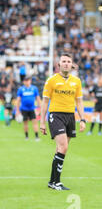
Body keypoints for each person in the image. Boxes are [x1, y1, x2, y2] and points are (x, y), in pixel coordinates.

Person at [40, 54, 86, 190]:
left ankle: (52, 181)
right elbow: (45, 101)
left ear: (72, 65)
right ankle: (57, 182)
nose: (66, 63)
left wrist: (82, 119)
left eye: (68, 62)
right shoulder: (51, 80)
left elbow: (79, 101)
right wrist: (42, 122)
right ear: (59, 64)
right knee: (63, 147)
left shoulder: (76, 81)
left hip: (70, 116)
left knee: (60, 149)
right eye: (63, 61)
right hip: (56, 115)